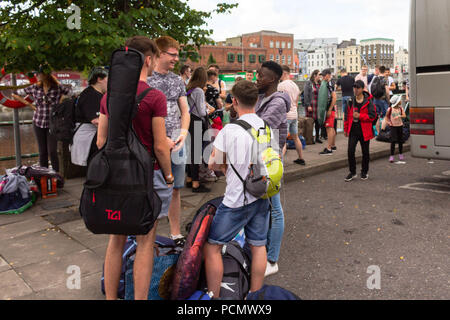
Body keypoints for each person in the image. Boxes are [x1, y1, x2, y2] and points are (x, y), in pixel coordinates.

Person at [97, 36, 173, 300]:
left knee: (116, 240)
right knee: (145, 242)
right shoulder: (154, 97)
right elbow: (161, 147)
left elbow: (101, 140)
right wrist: (169, 174)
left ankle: (110, 298)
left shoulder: (108, 97)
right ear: (149, 59)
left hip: (115, 177)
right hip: (145, 177)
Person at [204, 80, 271, 298]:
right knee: (258, 245)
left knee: (213, 246)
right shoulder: (264, 125)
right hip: (260, 194)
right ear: (256, 100)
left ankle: (213, 295)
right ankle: (254, 294)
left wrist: (224, 166)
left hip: (236, 199)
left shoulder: (230, 129)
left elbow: (213, 163)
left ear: (234, 102)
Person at [147, 36, 190, 246]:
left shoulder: (176, 80)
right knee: (152, 188)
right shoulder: (146, 79)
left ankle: (175, 232)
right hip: (155, 143)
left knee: (176, 188)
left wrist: (183, 133)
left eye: (177, 54)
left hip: (177, 143)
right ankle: (148, 234)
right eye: (172, 54)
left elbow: (185, 110)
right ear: (160, 53)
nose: (176, 58)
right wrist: (162, 138)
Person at [255, 61, 290, 276]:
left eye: (261, 76)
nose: (257, 78)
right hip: (259, 158)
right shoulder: (262, 97)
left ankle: (272, 259)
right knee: (265, 208)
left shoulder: (276, 102)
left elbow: (259, 128)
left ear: (273, 80)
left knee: (275, 209)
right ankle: (263, 253)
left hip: (270, 162)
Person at [13, 65, 72, 173]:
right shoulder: (35, 87)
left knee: (52, 151)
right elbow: (15, 94)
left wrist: (61, 103)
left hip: (53, 124)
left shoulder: (57, 88)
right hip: (38, 122)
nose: (37, 75)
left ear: (46, 75)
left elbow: (72, 93)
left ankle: (56, 176)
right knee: (42, 152)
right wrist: (29, 105)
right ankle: (44, 176)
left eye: (39, 73)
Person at [185, 67, 215, 193]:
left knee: (190, 152)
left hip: (188, 121)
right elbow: (202, 111)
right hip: (197, 121)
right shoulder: (199, 91)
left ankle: (190, 179)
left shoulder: (189, 89)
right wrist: (209, 110)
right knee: (196, 154)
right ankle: (196, 184)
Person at [71, 67, 108, 167]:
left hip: (92, 136)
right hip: (89, 137)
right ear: (99, 79)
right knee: (95, 170)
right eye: (108, 78)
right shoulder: (91, 96)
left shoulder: (95, 94)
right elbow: (97, 121)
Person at [344, 80, 377, 181]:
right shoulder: (350, 101)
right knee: (350, 151)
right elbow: (346, 116)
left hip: (364, 131)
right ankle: (352, 172)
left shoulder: (368, 101)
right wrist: (346, 129)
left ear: (362, 89)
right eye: (354, 87)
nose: (355, 89)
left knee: (365, 152)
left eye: (358, 88)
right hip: (353, 130)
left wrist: (360, 116)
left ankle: (364, 172)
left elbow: (373, 116)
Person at [278, 65, 305, 165]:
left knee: (282, 140)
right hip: (294, 115)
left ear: (284, 73)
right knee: (295, 137)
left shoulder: (281, 85)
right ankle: (301, 158)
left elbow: (280, 101)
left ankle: (279, 163)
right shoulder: (295, 85)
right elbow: (297, 101)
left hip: (285, 115)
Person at [318, 69, 337, 155]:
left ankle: (329, 149)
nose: (322, 77)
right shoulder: (330, 83)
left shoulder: (329, 84)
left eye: (324, 75)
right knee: (331, 128)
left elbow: (334, 98)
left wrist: (329, 109)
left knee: (329, 128)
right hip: (331, 109)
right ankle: (332, 145)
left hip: (329, 109)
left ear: (328, 75)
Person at [304, 70, 322, 143]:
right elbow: (306, 94)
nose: (320, 76)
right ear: (314, 75)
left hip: (318, 105)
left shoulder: (320, 83)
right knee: (310, 122)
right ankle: (310, 138)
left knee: (318, 122)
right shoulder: (308, 83)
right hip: (311, 105)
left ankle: (317, 137)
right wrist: (308, 105)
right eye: (319, 75)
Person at [386, 95, 407, 163]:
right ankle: (391, 156)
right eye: (399, 101)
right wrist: (389, 123)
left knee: (400, 141)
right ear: (397, 102)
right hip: (393, 127)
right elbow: (386, 117)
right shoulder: (390, 109)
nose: (401, 101)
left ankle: (400, 154)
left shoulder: (401, 108)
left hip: (400, 126)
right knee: (393, 141)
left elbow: (404, 115)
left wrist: (399, 115)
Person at [372, 66, 390, 133]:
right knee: (386, 116)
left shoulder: (375, 78)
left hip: (375, 99)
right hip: (382, 100)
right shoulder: (385, 79)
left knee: (377, 116)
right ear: (384, 71)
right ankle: (382, 132)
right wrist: (388, 100)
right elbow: (387, 91)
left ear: (379, 71)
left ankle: (378, 132)